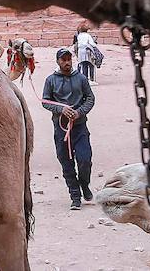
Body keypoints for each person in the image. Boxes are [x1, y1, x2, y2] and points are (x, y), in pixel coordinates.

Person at [42, 46, 95, 209]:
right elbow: (45, 101)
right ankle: (75, 195)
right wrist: (61, 109)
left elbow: (90, 98)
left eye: (69, 59)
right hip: (61, 129)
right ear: (58, 61)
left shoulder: (81, 78)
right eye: (63, 60)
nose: (67, 62)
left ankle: (84, 184)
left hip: (79, 127)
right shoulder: (51, 80)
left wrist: (79, 112)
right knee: (66, 162)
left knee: (85, 160)